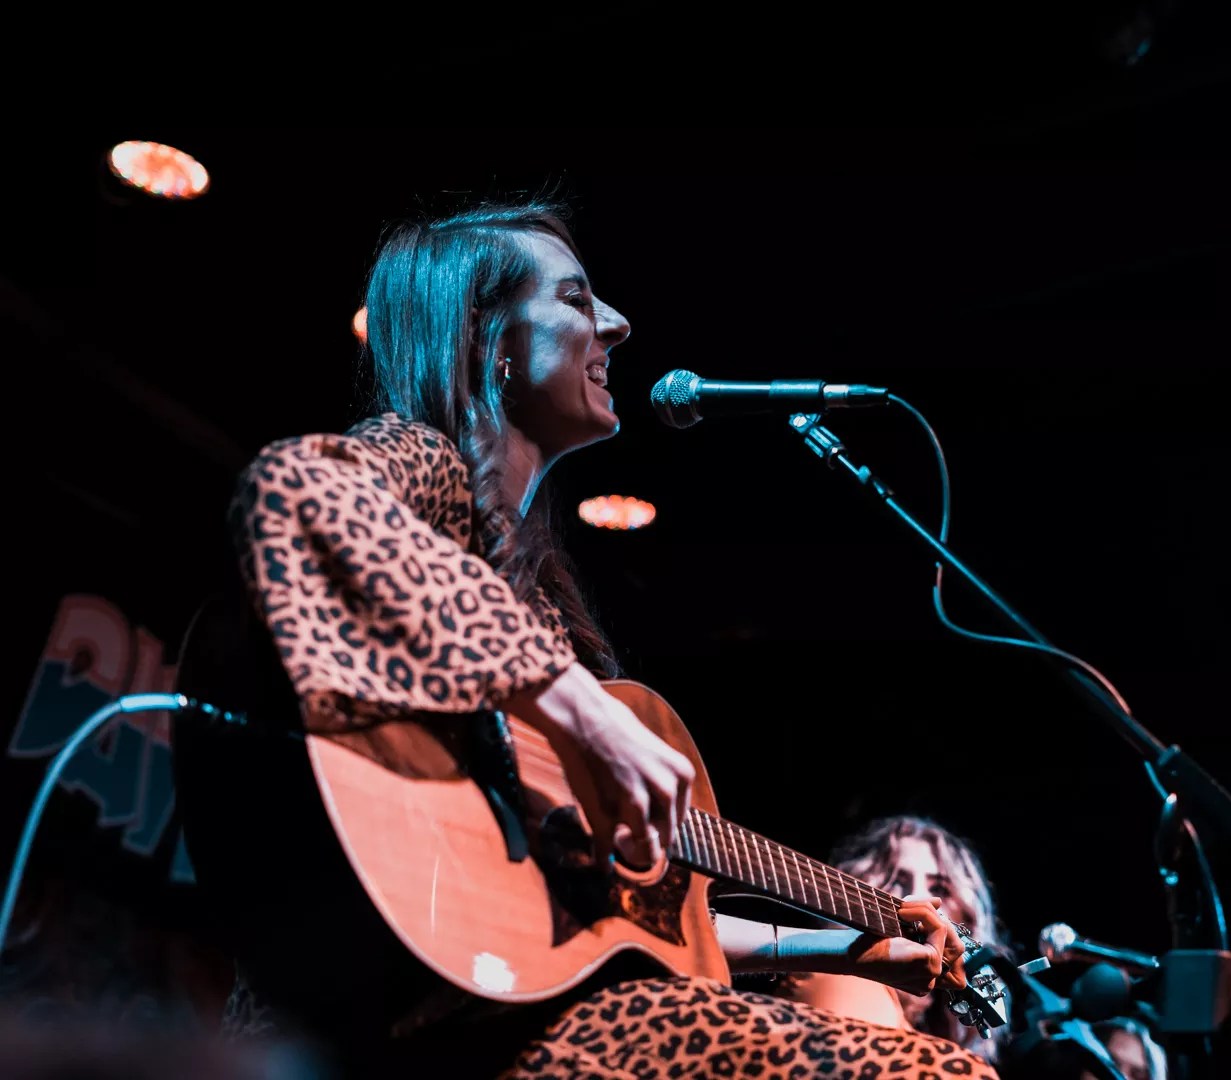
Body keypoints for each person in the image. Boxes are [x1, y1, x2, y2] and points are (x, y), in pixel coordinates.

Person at [192, 196, 999, 1080]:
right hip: (399, 1015)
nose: (616, 323)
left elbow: (618, 925)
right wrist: (582, 710)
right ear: (487, 339)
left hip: (522, 1014)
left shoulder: (543, 593)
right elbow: (296, 489)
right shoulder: (422, 462)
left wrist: (842, 945)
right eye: (575, 299)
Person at [770, 815, 1010, 1065]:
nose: (919, 899)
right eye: (896, 881)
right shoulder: (847, 986)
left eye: (939, 889)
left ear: (967, 919)